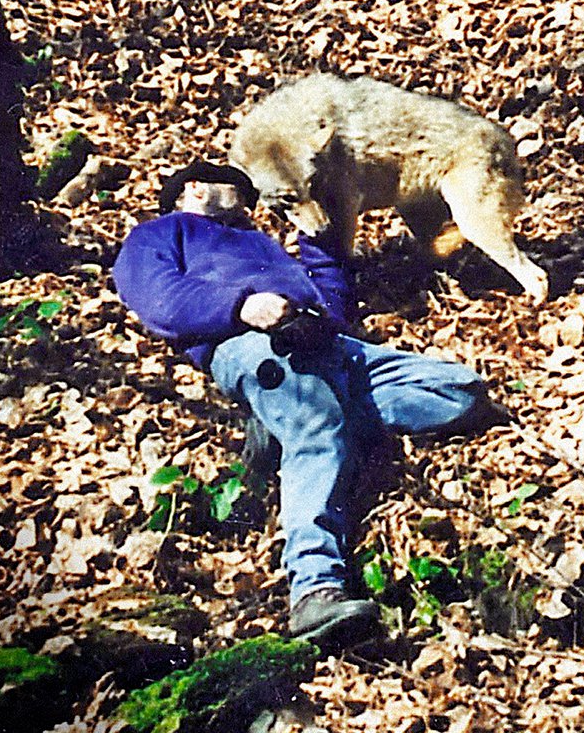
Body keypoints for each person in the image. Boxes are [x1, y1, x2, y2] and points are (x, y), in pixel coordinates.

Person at [112, 161, 503, 650]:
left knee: (461, 392)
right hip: (252, 344)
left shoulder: (260, 242)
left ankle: (289, 425)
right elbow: (156, 297)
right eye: (237, 188)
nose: (251, 201)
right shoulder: (161, 233)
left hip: (330, 344)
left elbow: (334, 305)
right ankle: (315, 589)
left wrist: (317, 241)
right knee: (317, 431)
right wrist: (240, 307)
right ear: (193, 188)